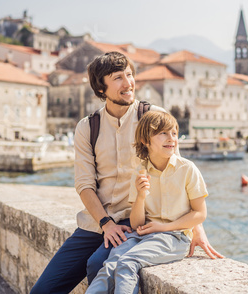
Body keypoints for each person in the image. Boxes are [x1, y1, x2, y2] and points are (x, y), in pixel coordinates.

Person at [31, 52, 222, 294]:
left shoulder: (153, 117)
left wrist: (196, 229)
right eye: (118, 78)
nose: (128, 83)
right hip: (96, 221)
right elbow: (84, 184)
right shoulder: (88, 127)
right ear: (102, 88)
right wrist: (105, 224)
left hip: (134, 220)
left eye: (130, 75)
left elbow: (177, 173)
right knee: (42, 290)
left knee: (97, 264)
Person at [86, 110, 208, 293]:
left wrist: (163, 227)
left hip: (175, 237)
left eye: (174, 133)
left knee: (128, 262)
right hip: (143, 234)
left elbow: (200, 213)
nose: (171, 138)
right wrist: (141, 196)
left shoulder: (187, 169)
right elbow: (136, 224)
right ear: (145, 141)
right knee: (110, 265)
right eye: (163, 133)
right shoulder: (140, 171)